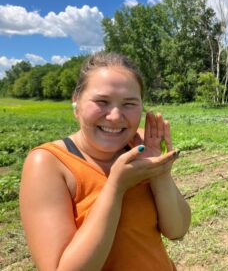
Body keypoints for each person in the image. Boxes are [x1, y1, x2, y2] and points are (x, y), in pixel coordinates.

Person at [19, 52, 191, 271]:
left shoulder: (139, 146)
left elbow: (177, 230)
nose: (115, 116)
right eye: (102, 101)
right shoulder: (48, 163)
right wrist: (116, 187)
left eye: (129, 103)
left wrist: (159, 171)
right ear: (76, 103)